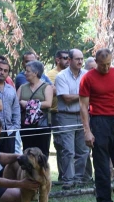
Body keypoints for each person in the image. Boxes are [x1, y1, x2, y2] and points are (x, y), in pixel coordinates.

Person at [79, 48, 114, 202]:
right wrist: (87, 131)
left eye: (109, 64)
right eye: (103, 65)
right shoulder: (87, 78)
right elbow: (83, 106)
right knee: (101, 164)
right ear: (96, 62)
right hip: (99, 121)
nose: (106, 68)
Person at [54, 49, 89, 190]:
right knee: (68, 150)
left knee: (83, 150)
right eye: (77, 59)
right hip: (65, 115)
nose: (80, 61)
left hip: (83, 115)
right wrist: (85, 94)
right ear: (69, 60)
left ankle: (79, 178)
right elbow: (66, 98)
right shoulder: (61, 76)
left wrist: (82, 96)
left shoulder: (87, 75)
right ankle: (68, 179)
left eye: (82, 59)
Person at [17, 60, 52, 156]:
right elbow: (17, 103)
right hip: (26, 126)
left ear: (35, 73)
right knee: (27, 152)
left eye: (27, 71)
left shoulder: (46, 87)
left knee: (42, 153)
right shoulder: (22, 87)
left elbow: (48, 103)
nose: (25, 73)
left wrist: (28, 104)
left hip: (42, 126)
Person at [47, 50, 70, 180]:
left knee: (71, 148)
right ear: (57, 59)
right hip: (56, 113)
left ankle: (72, 176)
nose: (68, 60)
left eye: (69, 58)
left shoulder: (70, 73)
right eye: (65, 58)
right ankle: (63, 175)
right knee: (61, 145)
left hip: (71, 113)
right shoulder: (51, 74)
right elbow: (53, 91)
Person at [0, 59, 20, 154]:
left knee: (9, 162)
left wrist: (15, 127)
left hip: (9, 131)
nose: (2, 72)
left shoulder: (11, 89)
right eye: (0, 69)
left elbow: (16, 109)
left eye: (5, 71)